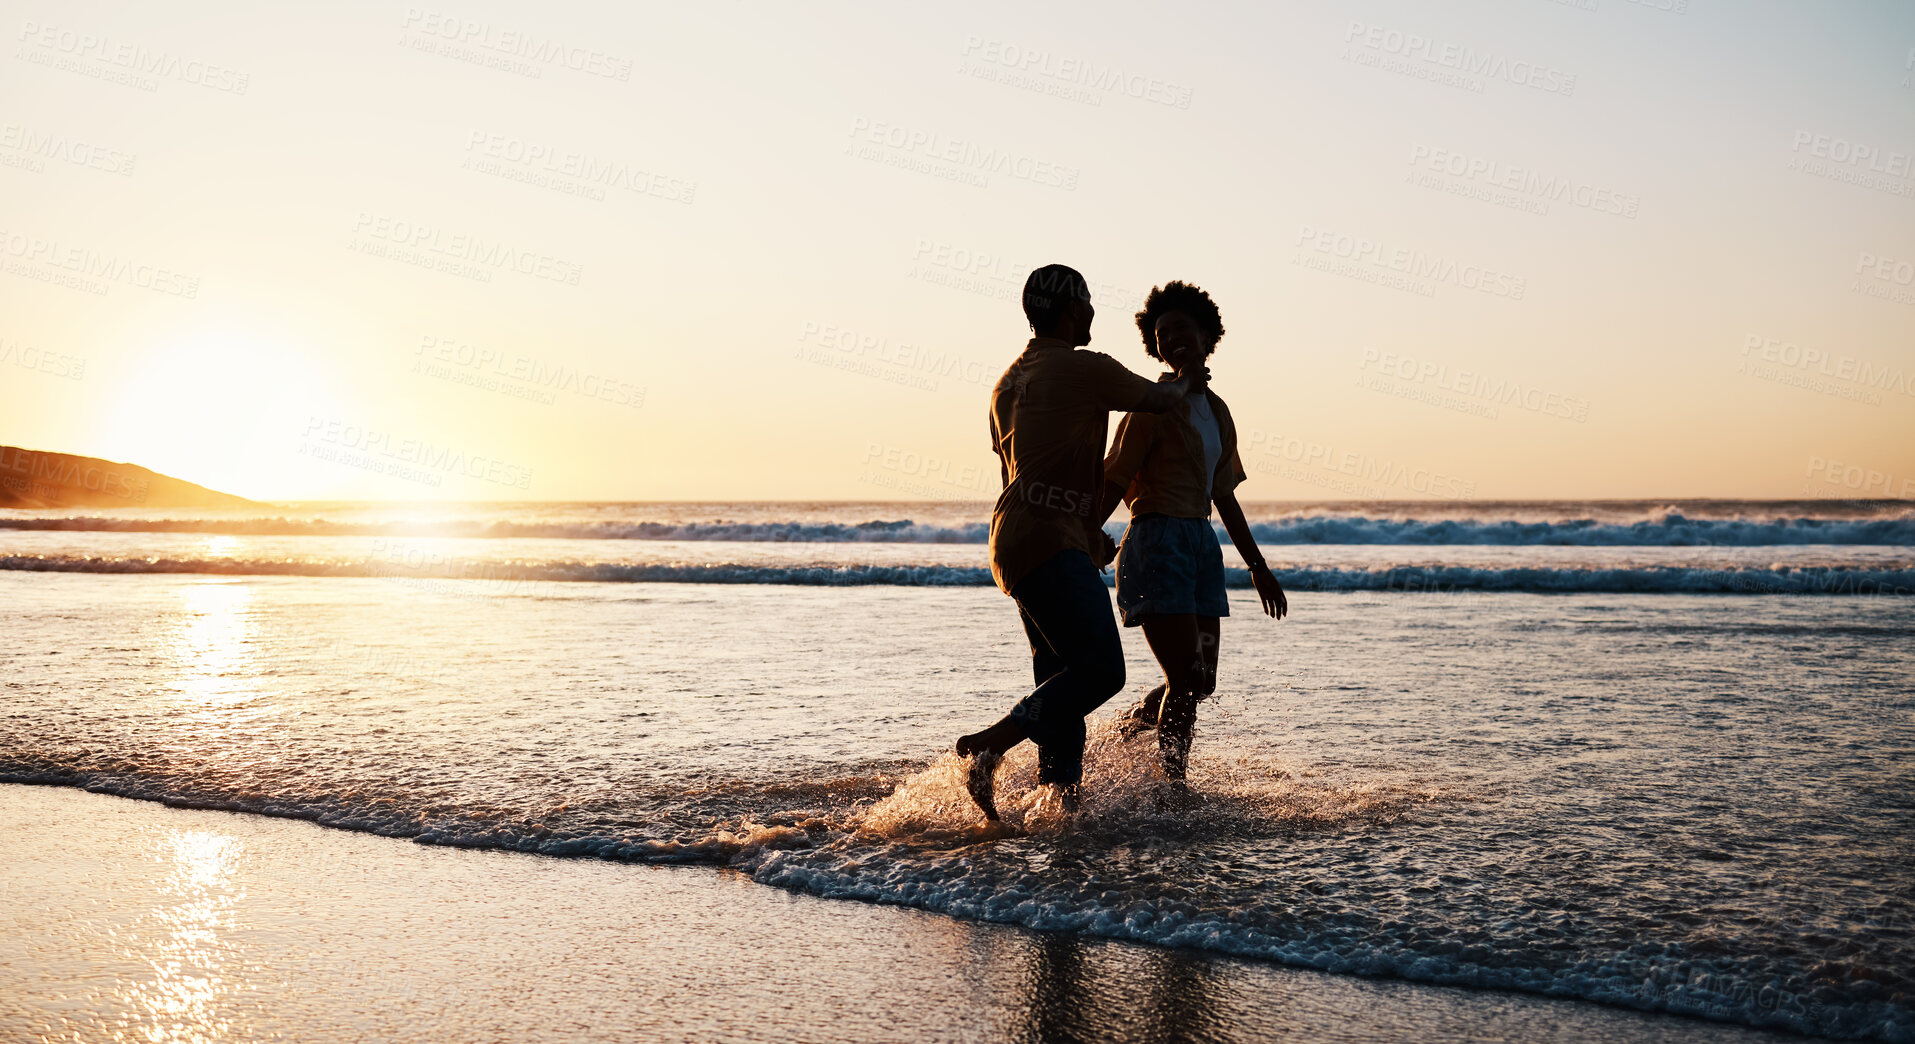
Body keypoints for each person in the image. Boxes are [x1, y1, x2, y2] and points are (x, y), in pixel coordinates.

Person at [954, 263, 1207, 821]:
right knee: (1100, 671)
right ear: (1073, 310)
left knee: (1059, 675)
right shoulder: (1082, 368)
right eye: (1089, 304)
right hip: (1050, 542)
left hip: (1012, 543)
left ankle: (1060, 800)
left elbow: (1017, 474)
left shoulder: (1006, 384)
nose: (1093, 313)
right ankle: (989, 745)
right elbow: (1162, 400)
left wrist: (1086, 533)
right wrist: (1187, 374)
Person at [1093, 280, 1287, 783]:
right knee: (1182, 678)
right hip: (1156, 542)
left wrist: (1257, 567)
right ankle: (1174, 786)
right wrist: (1083, 534)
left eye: (1182, 327)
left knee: (1201, 681)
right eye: (1161, 333)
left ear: (1207, 335)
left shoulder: (1218, 413)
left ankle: (1119, 740)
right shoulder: (1152, 404)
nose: (1171, 338)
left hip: (1201, 547)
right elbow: (1114, 477)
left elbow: (1224, 496)